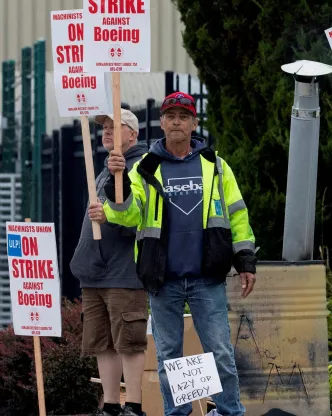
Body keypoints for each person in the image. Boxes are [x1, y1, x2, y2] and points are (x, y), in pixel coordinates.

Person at [90, 92, 257, 416]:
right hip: (162, 280)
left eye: (184, 115)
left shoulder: (216, 167)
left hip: (206, 277)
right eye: (171, 116)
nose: (177, 121)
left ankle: (229, 412)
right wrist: (116, 181)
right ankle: (177, 414)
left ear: (194, 123)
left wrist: (246, 260)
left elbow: (237, 215)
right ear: (162, 123)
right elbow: (127, 216)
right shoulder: (143, 168)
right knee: (168, 357)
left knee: (220, 352)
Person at [70, 109, 149, 416]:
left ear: (134, 134)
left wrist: (111, 216)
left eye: (116, 127)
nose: (106, 132)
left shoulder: (141, 167)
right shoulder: (105, 169)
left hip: (123, 270)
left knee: (129, 340)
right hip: (95, 271)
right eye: (104, 127)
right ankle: (112, 405)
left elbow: (139, 218)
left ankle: (134, 406)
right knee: (102, 342)